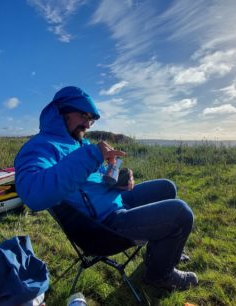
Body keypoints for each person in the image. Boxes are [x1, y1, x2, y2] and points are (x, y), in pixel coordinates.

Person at [14, 86, 198, 291]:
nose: (88, 124)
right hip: (103, 227)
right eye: (84, 115)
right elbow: (33, 194)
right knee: (180, 213)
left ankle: (163, 254)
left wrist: (119, 180)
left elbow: (95, 180)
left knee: (166, 187)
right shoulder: (40, 147)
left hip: (115, 202)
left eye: (91, 119)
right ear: (61, 111)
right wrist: (92, 155)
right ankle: (159, 276)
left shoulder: (76, 143)